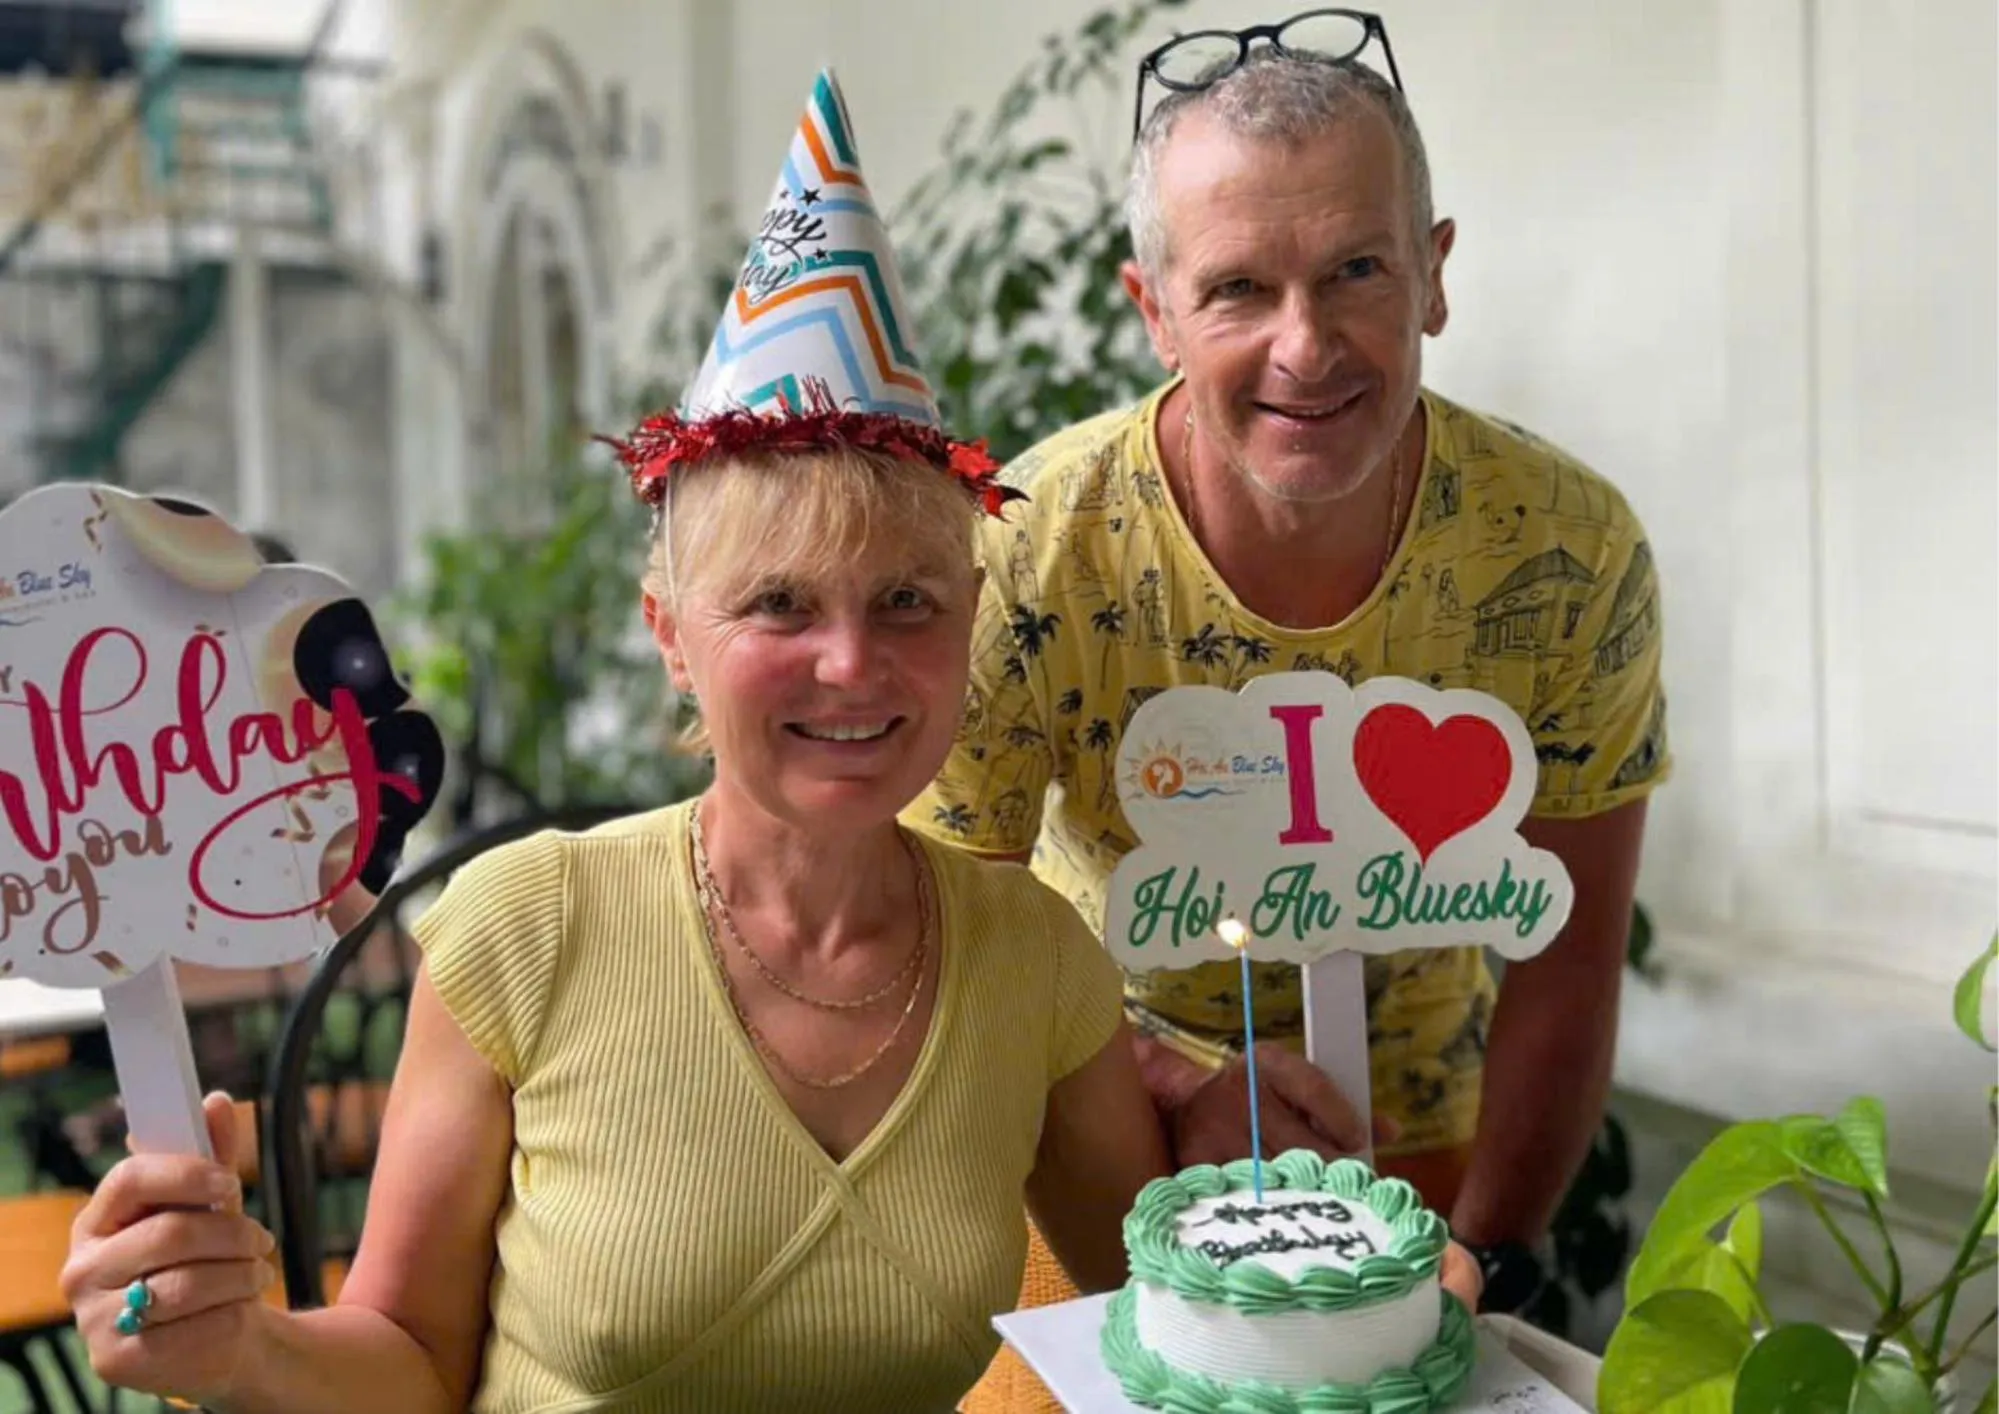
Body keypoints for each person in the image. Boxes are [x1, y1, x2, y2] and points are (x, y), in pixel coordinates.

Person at [58, 71, 1173, 1414]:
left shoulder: (1038, 959)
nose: (850, 660)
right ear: (669, 632)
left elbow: (1159, 1319)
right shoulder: (525, 926)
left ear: (969, 621)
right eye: (777, 602)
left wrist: (1291, 1223)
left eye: (906, 602)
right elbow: (407, 1356)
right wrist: (237, 1347)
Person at [913, 21, 1668, 1408]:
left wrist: (1482, 1252)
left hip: (1430, 1166)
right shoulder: (1026, 552)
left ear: (1433, 274)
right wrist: (1148, 1078)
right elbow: (951, 943)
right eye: (1238, 288)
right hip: (1104, 1167)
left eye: (1356, 271)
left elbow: (1567, 956)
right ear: (1151, 307)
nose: (1303, 346)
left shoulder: (1567, 552)